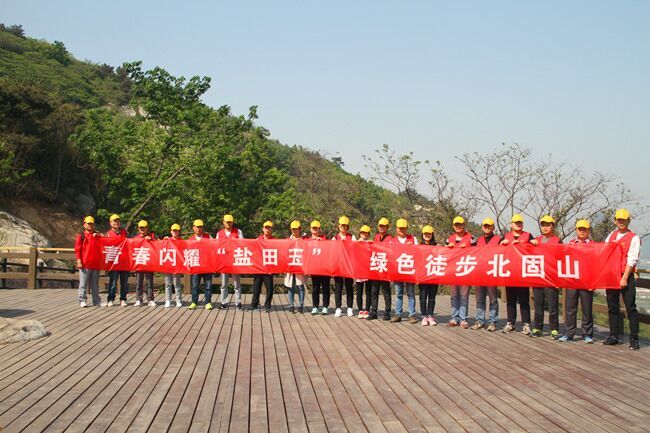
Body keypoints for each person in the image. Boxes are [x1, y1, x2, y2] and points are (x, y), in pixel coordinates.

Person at [603, 208, 641, 350]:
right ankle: (613, 335)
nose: (621, 222)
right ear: (615, 221)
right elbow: (604, 252)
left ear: (628, 221)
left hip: (626, 275)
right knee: (612, 307)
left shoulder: (633, 238)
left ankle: (634, 339)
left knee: (630, 307)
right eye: (619, 220)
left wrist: (624, 277)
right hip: (612, 275)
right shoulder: (611, 235)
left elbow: (632, 259)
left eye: (624, 220)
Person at [500, 214, 538, 334]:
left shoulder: (528, 235)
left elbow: (535, 248)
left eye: (520, 223)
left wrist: (534, 243)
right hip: (510, 272)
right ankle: (510, 323)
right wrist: (502, 244)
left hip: (523, 273)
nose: (518, 225)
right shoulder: (506, 236)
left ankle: (526, 324)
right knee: (510, 300)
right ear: (511, 224)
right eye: (516, 223)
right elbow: (497, 251)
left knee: (524, 300)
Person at [559, 220, 594, 343]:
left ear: (588, 230)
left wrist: (593, 282)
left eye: (584, 229)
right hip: (572, 280)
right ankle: (569, 333)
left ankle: (587, 334)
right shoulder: (571, 243)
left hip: (586, 281)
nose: (582, 231)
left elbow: (597, 264)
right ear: (576, 230)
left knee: (587, 308)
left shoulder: (593, 245)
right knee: (570, 308)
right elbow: (562, 258)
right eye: (580, 229)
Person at [531, 215, 562, 339]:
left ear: (552, 226)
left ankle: (554, 329)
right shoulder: (535, 240)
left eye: (548, 225)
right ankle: (537, 328)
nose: (545, 227)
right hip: (538, 278)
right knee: (538, 305)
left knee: (552, 306)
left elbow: (561, 260)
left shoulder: (557, 241)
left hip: (551, 279)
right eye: (543, 225)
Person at [471, 218, 501, 332]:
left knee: (493, 299)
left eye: (489, 226)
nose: (487, 228)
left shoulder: (499, 239)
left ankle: (492, 321)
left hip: (492, 273)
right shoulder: (478, 240)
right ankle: (480, 320)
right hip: (479, 273)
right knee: (480, 299)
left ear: (493, 227)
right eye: (485, 226)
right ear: (482, 227)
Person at [446, 216, 474, 328]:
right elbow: (444, 254)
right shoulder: (449, 239)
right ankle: (454, 317)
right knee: (454, 295)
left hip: (465, 271)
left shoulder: (471, 238)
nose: (458, 226)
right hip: (453, 271)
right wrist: (448, 248)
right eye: (456, 224)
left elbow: (478, 252)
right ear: (453, 226)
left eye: (460, 224)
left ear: (464, 225)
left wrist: (468, 248)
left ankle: (463, 318)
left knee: (463, 295)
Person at [390, 218, 419, 324]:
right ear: (396, 228)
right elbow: (389, 255)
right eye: (400, 228)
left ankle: (412, 314)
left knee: (411, 293)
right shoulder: (392, 241)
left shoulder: (413, 239)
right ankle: (398, 314)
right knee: (398, 293)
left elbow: (419, 253)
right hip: (397, 271)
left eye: (404, 228)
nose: (402, 230)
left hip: (410, 271)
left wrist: (413, 247)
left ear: (407, 228)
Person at [216, 214, 244, 310]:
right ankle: (223, 302)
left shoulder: (238, 232)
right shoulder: (219, 234)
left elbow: (243, 244)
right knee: (224, 283)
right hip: (224, 262)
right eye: (227, 222)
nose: (228, 223)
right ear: (223, 222)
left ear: (232, 222)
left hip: (235, 260)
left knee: (237, 283)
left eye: (230, 222)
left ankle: (238, 302)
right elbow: (216, 247)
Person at [249, 221, 277, 313]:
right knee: (256, 287)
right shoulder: (258, 239)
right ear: (263, 229)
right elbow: (253, 251)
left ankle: (267, 305)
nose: (267, 229)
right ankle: (254, 304)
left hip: (269, 268)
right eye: (266, 227)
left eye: (269, 228)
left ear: (272, 229)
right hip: (258, 267)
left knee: (269, 288)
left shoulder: (275, 240)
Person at [75, 216, 102, 307]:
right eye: (88, 223)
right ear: (84, 224)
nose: (90, 225)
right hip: (85, 263)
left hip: (96, 264)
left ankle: (96, 301)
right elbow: (77, 249)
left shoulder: (97, 235)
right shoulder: (81, 236)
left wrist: (99, 235)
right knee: (83, 284)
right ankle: (82, 300)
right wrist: (79, 260)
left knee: (95, 284)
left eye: (92, 224)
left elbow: (104, 241)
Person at [369, 217, 393, 321]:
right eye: (380, 226)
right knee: (374, 291)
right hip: (376, 267)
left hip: (385, 268)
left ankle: (387, 312)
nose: (382, 227)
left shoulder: (390, 239)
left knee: (386, 291)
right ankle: (374, 311)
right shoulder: (376, 237)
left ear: (387, 227)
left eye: (384, 226)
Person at [332, 216, 356, 317]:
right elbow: (331, 250)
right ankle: (338, 308)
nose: (343, 227)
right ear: (339, 226)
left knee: (349, 287)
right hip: (338, 266)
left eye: (345, 225)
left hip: (348, 266)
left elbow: (356, 249)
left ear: (348, 227)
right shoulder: (335, 238)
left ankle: (350, 307)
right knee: (338, 287)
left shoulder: (352, 237)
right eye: (342, 225)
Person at [104, 214, 129, 307]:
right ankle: (111, 299)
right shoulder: (108, 234)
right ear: (110, 223)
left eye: (118, 221)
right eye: (114, 221)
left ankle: (123, 299)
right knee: (113, 282)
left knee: (124, 282)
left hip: (124, 261)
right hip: (113, 262)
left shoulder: (124, 233)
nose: (116, 223)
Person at [188, 219, 213, 310]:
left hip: (207, 266)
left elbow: (216, 245)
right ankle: (194, 302)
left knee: (208, 286)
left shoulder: (208, 237)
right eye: (197, 227)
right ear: (193, 227)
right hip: (196, 266)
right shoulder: (190, 240)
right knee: (195, 285)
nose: (199, 229)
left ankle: (208, 302)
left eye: (200, 227)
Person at [308, 220, 331, 315]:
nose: (314, 229)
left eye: (316, 228)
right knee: (315, 288)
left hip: (325, 268)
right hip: (315, 268)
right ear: (310, 229)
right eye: (313, 228)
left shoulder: (325, 239)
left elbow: (331, 249)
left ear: (319, 229)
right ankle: (315, 306)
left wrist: (323, 242)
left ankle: (325, 307)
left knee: (326, 288)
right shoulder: (308, 241)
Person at [284, 220, 306, 314]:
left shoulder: (304, 240)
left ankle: (300, 305)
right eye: (293, 229)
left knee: (300, 286)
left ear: (300, 229)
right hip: (290, 265)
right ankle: (291, 305)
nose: (294, 230)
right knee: (290, 286)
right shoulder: (288, 240)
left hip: (300, 265)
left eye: (296, 229)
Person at [419, 225, 438, 326]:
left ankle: (430, 316)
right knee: (423, 297)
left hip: (433, 274)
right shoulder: (419, 246)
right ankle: (423, 316)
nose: (427, 235)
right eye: (425, 233)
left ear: (432, 234)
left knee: (432, 297)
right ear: (422, 234)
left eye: (429, 234)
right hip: (422, 275)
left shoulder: (436, 246)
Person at [134, 220, 156, 307]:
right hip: (139, 263)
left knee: (149, 282)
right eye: (141, 228)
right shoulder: (135, 238)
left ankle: (150, 299)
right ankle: (139, 299)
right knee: (139, 282)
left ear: (147, 228)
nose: (142, 229)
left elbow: (157, 245)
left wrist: (151, 240)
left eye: (144, 227)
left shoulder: (152, 237)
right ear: (138, 228)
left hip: (149, 262)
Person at [163, 223, 183, 308]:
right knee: (168, 284)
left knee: (177, 284)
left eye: (176, 230)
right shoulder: (167, 240)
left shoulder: (182, 241)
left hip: (177, 266)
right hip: (168, 265)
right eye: (173, 230)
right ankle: (168, 300)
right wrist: (163, 240)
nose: (175, 232)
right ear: (171, 231)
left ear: (179, 231)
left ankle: (178, 300)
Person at [355, 225, 372, 319]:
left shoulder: (371, 243)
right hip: (359, 269)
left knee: (368, 291)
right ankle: (360, 309)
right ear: (360, 233)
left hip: (369, 270)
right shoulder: (356, 243)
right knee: (359, 291)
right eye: (363, 232)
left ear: (369, 234)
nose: (364, 234)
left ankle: (367, 309)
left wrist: (371, 244)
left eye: (366, 233)